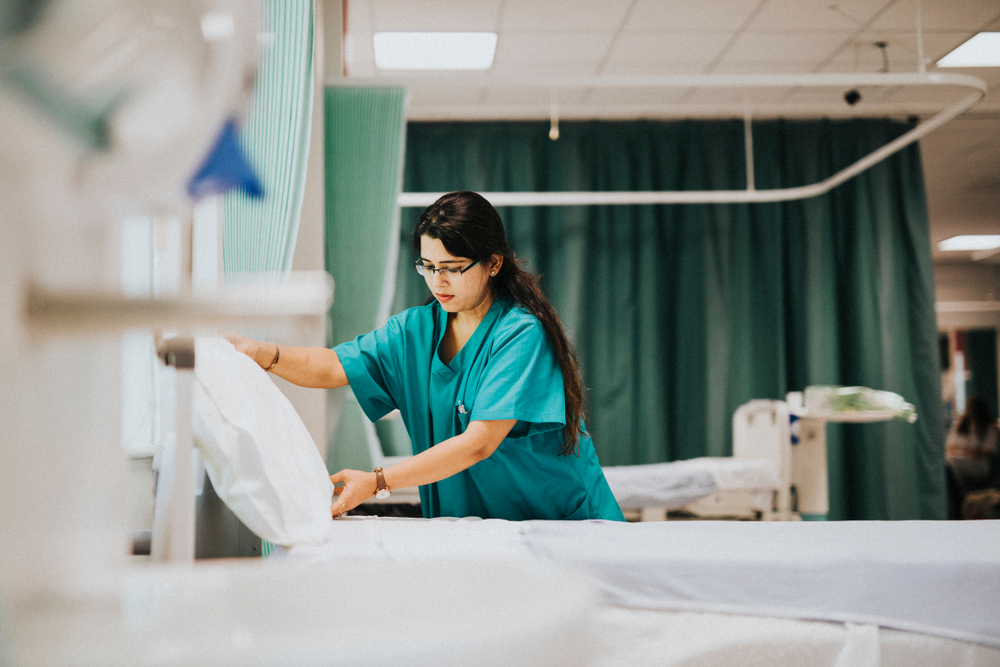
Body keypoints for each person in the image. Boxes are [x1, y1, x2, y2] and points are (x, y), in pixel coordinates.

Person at [226, 191, 624, 522]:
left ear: (494, 263)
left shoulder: (519, 335)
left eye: (452, 268)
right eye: (428, 266)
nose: (438, 281)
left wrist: (378, 481)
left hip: (559, 523)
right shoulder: (415, 331)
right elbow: (333, 365)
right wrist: (264, 353)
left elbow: (478, 443)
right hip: (479, 528)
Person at [946, 396, 1000, 512]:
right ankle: (958, 499)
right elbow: (950, 447)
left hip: (979, 466)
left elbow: (985, 451)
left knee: (951, 462)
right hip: (960, 460)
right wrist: (967, 451)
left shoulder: (988, 428)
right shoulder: (961, 426)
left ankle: (960, 498)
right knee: (948, 461)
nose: (968, 410)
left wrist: (965, 451)